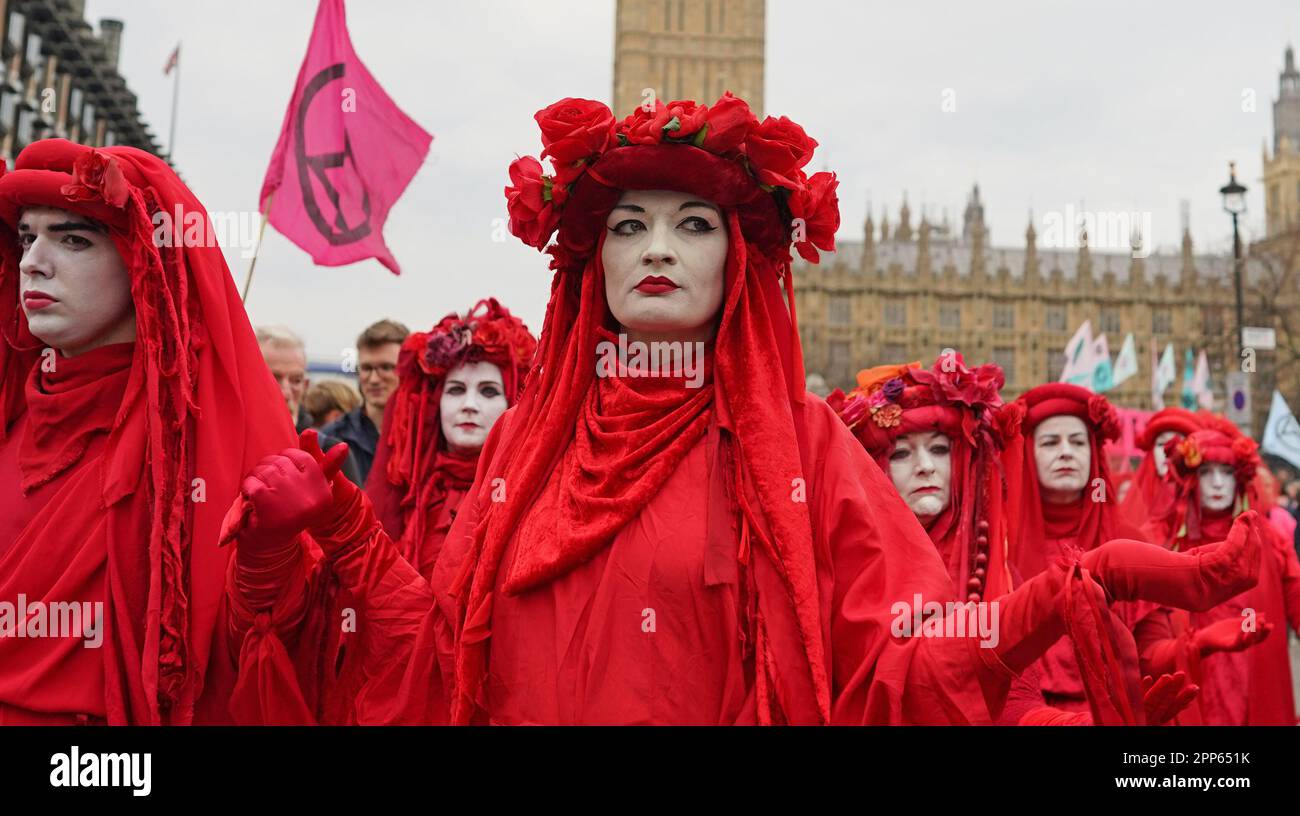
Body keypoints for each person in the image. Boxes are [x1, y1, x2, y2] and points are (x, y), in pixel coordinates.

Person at [229, 92, 1263, 725]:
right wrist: (333, 538)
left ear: (740, 259)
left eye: (693, 222)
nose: (660, 247)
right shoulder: (523, 444)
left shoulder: (801, 447)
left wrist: (1050, 600)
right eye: (629, 224)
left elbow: (894, 662)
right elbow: (432, 658)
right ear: (593, 258)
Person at [0, 140, 306, 723]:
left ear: (143, 260)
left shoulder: (198, 444)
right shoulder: (9, 416)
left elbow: (253, 656)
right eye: (26, 237)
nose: (33, 262)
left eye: (73, 240)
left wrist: (272, 556)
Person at [830, 354, 1201, 725]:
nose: (925, 465)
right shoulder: (846, 573)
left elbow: (1015, 706)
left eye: (939, 448)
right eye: (901, 452)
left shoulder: (994, 567)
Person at [999, 384, 1258, 717]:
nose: (1066, 452)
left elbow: (1149, 654)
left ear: (1094, 453)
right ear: (1029, 451)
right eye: (1051, 442)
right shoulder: (998, 545)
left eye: (1078, 442)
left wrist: (1196, 644)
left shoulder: (1129, 539)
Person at [1133, 426, 1300, 724]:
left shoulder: (1270, 540)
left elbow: (1296, 594)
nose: (1218, 483)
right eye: (1207, 472)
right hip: (1194, 680)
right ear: (1192, 478)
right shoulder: (1164, 540)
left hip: (1257, 678)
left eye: (1226, 472)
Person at [365, 300, 536, 581]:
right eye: (456, 390)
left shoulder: (530, 493)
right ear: (436, 403)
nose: (469, 405)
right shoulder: (413, 493)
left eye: (489, 392)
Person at [256, 324, 360, 484]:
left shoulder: (329, 452)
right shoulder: (227, 447)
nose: (286, 393)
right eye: (273, 378)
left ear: (305, 386)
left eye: (296, 380)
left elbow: (358, 508)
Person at [322, 318, 409, 485]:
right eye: (367, 368)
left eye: (386, 367)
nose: (374, 379)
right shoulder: (333, 437)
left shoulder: (426, 437)